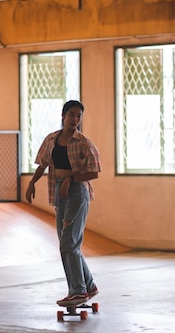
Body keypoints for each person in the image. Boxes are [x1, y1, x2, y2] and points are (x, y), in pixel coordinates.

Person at [25, 100, 101, 306]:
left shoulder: (84, 142)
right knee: (66, 243)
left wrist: (71, 179)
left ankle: (78, 291)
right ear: (63, 116)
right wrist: (32, 183)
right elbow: (43, 164)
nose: (75, 119)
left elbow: (94, 172)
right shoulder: (52, 139)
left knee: (69, 243)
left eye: (79, 116)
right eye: (72, 115)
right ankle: (89, 285)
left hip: (77, 193)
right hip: (60, 192)